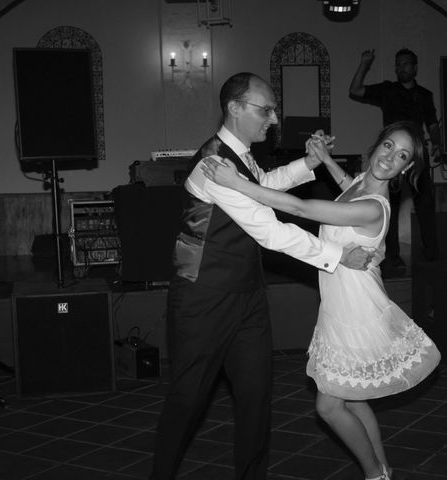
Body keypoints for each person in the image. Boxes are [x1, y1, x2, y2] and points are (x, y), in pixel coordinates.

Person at [151, 72, 378, 480]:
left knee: (256, 398)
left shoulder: (241, 158)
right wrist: (338, 255)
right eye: (264, 109)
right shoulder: (214, 162)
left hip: (247, 295)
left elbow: (261, 186)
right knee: (187, 401)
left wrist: (307, 164)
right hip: (203, 298)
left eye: (273, 109)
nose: (273, 119)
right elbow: (268, 229)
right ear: (234, 108)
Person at [202, 120, 441, 480]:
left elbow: (301, 209)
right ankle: (384, 472)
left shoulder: (374, 207)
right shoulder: (362, 183)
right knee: (354, 398)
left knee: (329, 406)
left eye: (402, 156)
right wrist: (326, 160)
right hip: (340, 303)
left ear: (405, 169)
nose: (391, 157)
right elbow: (349, 186)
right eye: (389, 146)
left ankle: (374, 473)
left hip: (356, 310)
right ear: (377, 145)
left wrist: (238, 183)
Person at [349, 48, 441, 273]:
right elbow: (355, 90)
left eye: (406, 64)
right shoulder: (388, 90)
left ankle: (432, 256)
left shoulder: (425, 95)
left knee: (425, 206)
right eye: (398, 64)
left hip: (416, 158)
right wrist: (365, 63)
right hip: (392, 159)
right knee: (389, 204)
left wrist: (437, 143)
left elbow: (432, 124)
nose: (401, 68)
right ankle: (392, 257)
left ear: (415, 67)